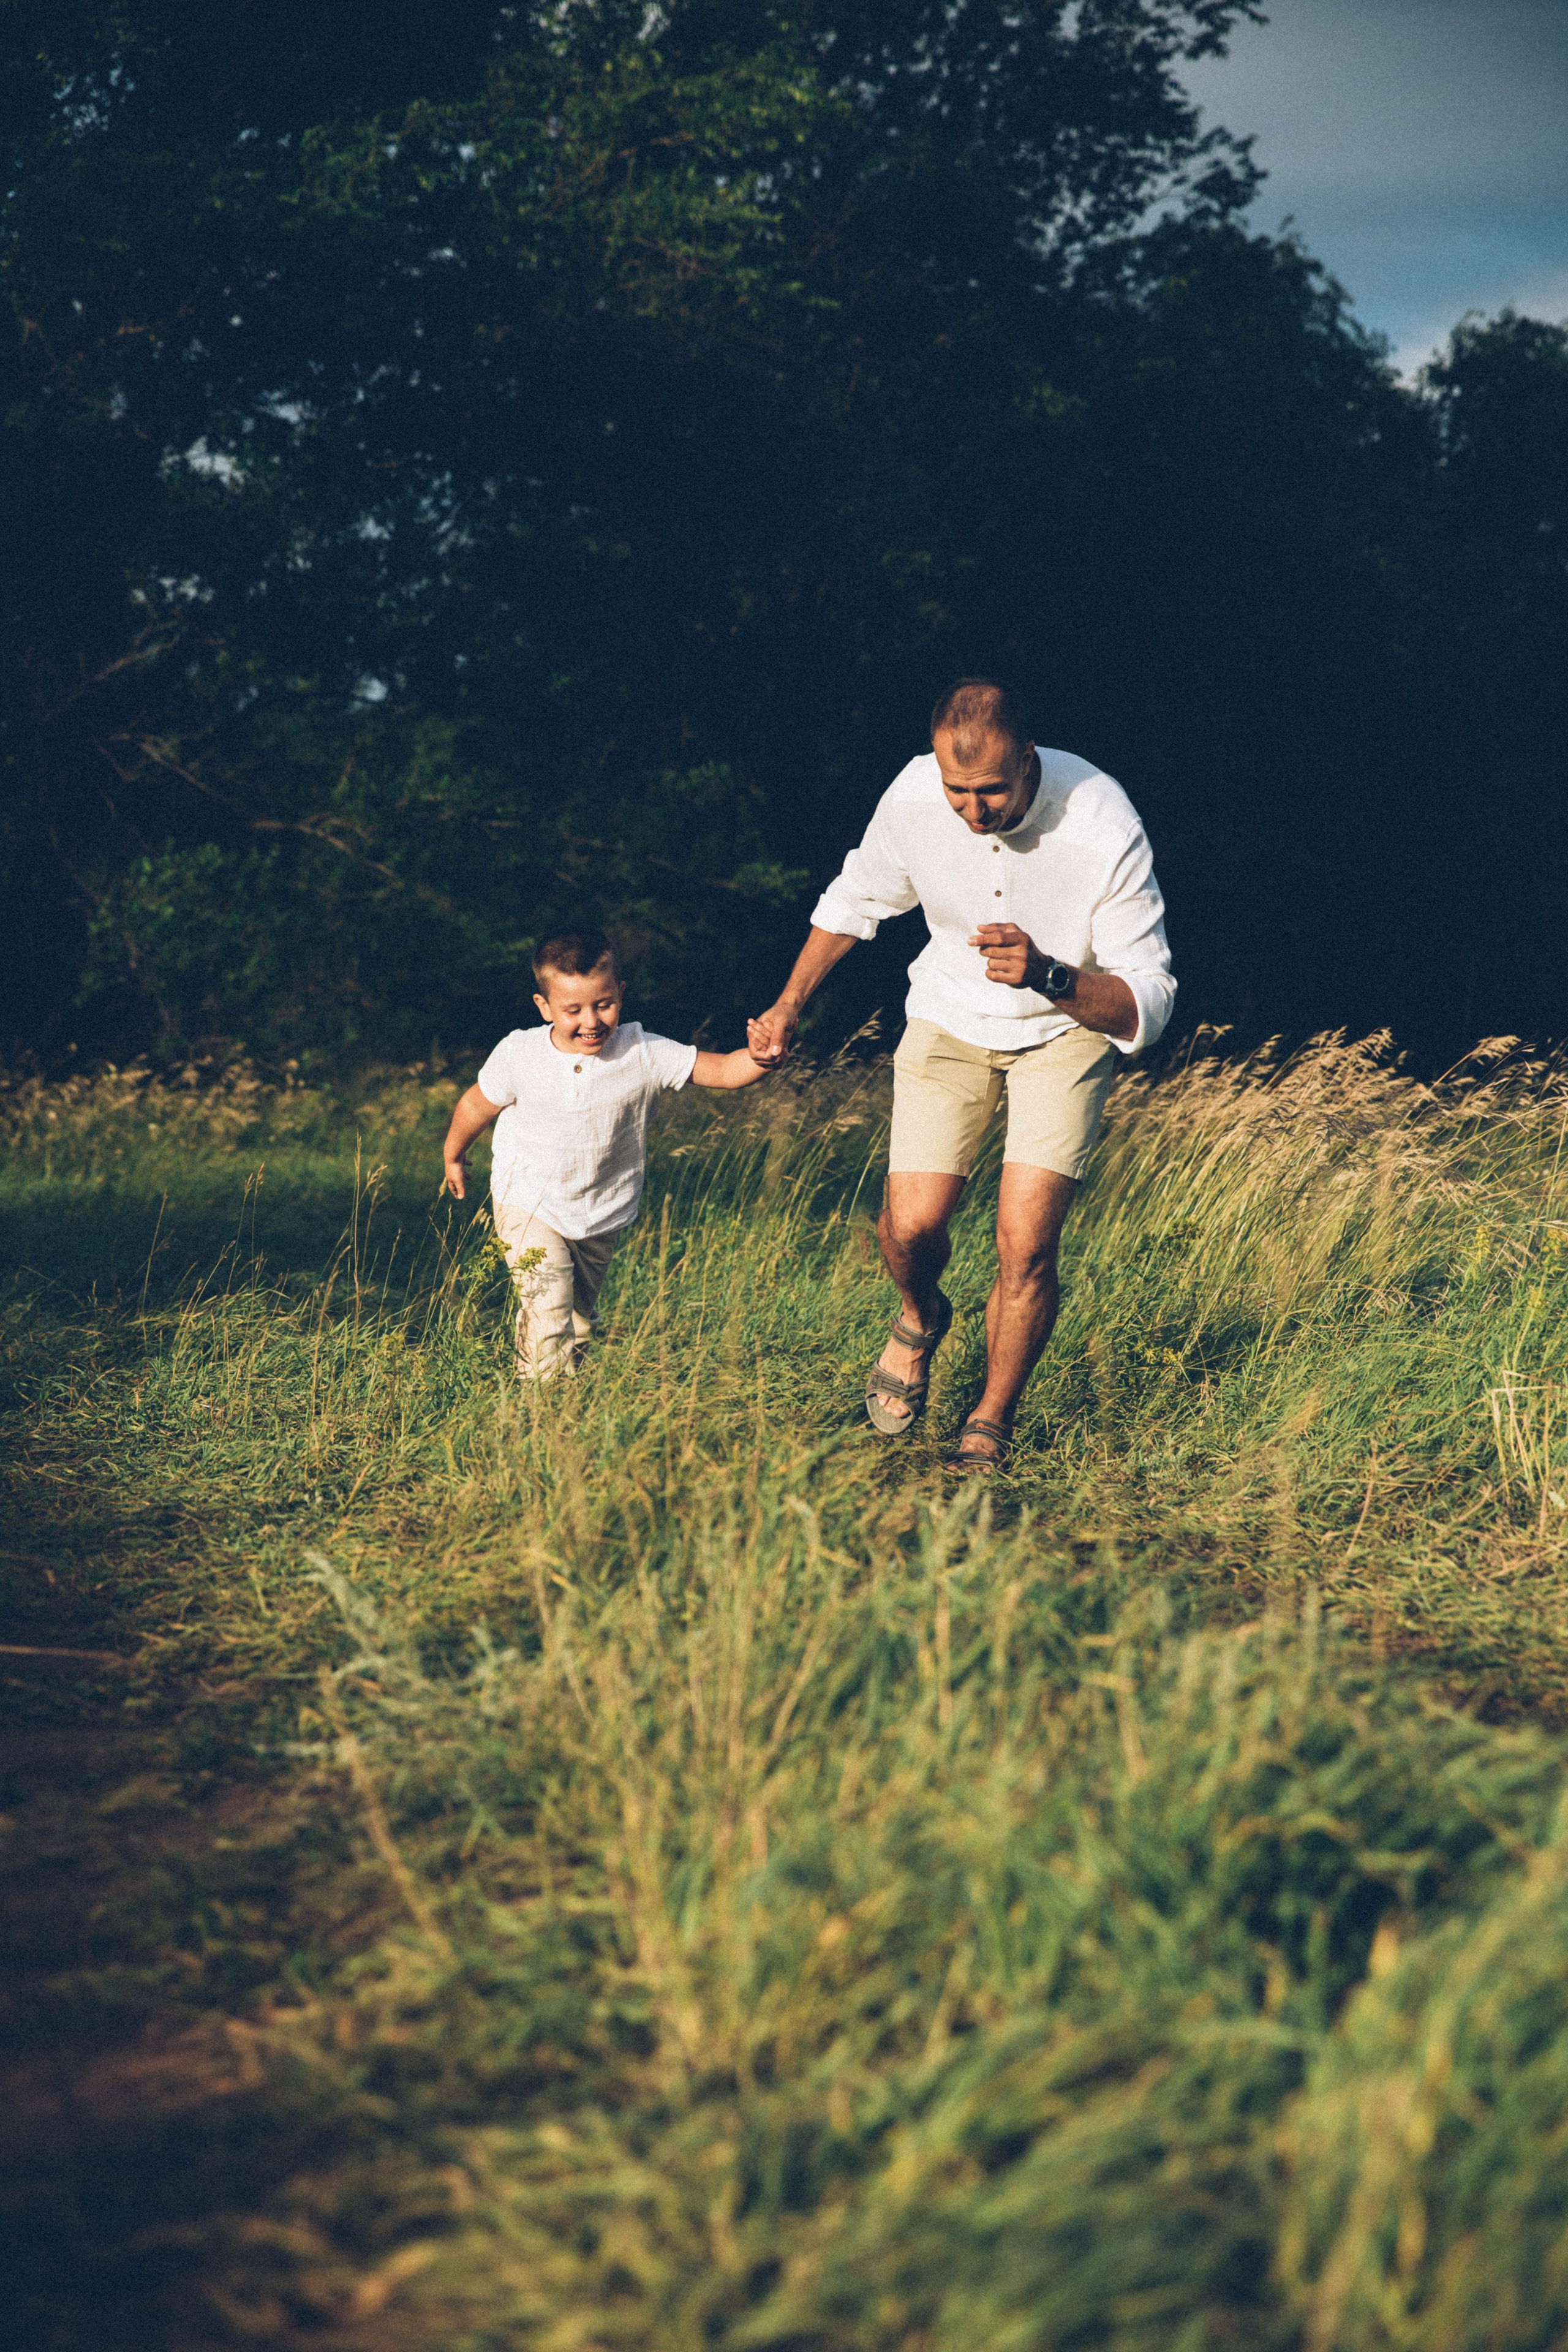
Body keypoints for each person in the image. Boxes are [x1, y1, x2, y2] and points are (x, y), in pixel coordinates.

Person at [748, 679, 1175, 1472]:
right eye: (957, 792)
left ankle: (989, 1420)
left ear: (1027, 757)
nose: (973, 812)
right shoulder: (914, 795)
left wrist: (1050, 975)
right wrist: (788, 1005)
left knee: (1026, 1244)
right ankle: (920, 1313)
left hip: (1062, 1031)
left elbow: (1150, 1000)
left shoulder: (1102, 820)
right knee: (910, 1229)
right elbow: (855, 899)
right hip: (948, 1020)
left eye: (990, 793)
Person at [442, 929, 772, 1377]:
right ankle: (540, 1408)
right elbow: (476, 1104)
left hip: (602, 1210)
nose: (591, 1021)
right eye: (572, 1010)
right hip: (527, 1200)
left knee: (576, 1319)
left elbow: (721, 1070)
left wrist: (760, 1058)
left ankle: (563, 1381)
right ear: (544, 1007)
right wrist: (454, 1155)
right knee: (549, 1304)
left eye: (603, 1004)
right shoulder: (520, 1054)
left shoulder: (644, 1051)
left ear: (620, 992)